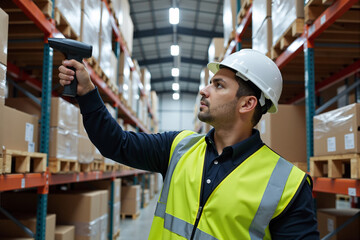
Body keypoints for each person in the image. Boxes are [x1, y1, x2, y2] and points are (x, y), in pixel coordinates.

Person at [58, 49, 319, 239]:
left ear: (247, 103)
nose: (204, 90)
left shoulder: (287, 184)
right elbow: (116, 143)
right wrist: (88, 94)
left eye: (218, 85)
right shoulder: (179, 147)